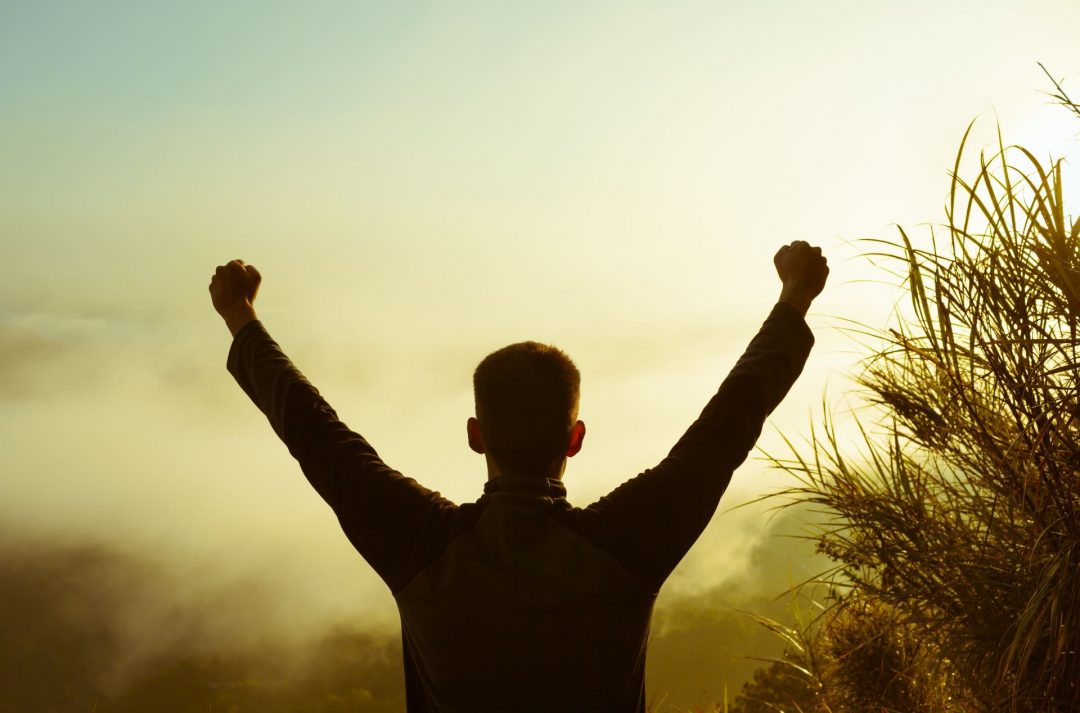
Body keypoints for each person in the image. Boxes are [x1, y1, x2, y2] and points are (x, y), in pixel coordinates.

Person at [208, 242, 828, 713]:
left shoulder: (420, 545)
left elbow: (313, 429)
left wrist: (241, 316)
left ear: (476, 435)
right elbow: (728, 424)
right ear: (575, 439)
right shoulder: (626, 545)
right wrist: (793, 299)